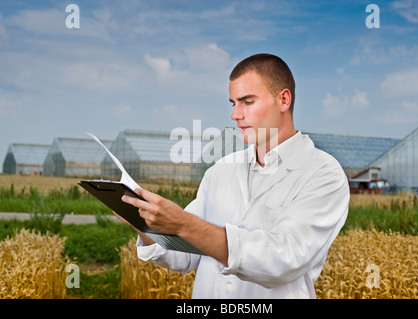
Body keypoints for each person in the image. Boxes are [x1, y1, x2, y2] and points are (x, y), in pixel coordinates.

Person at [118, 53, 350, 298]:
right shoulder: (221, 170)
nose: (235, 115)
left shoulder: (323, 174)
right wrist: (143, 222)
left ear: (283, 100)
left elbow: (283, 260)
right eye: (233, 103)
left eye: (247, 102)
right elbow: (184, 254)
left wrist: (184, 224)